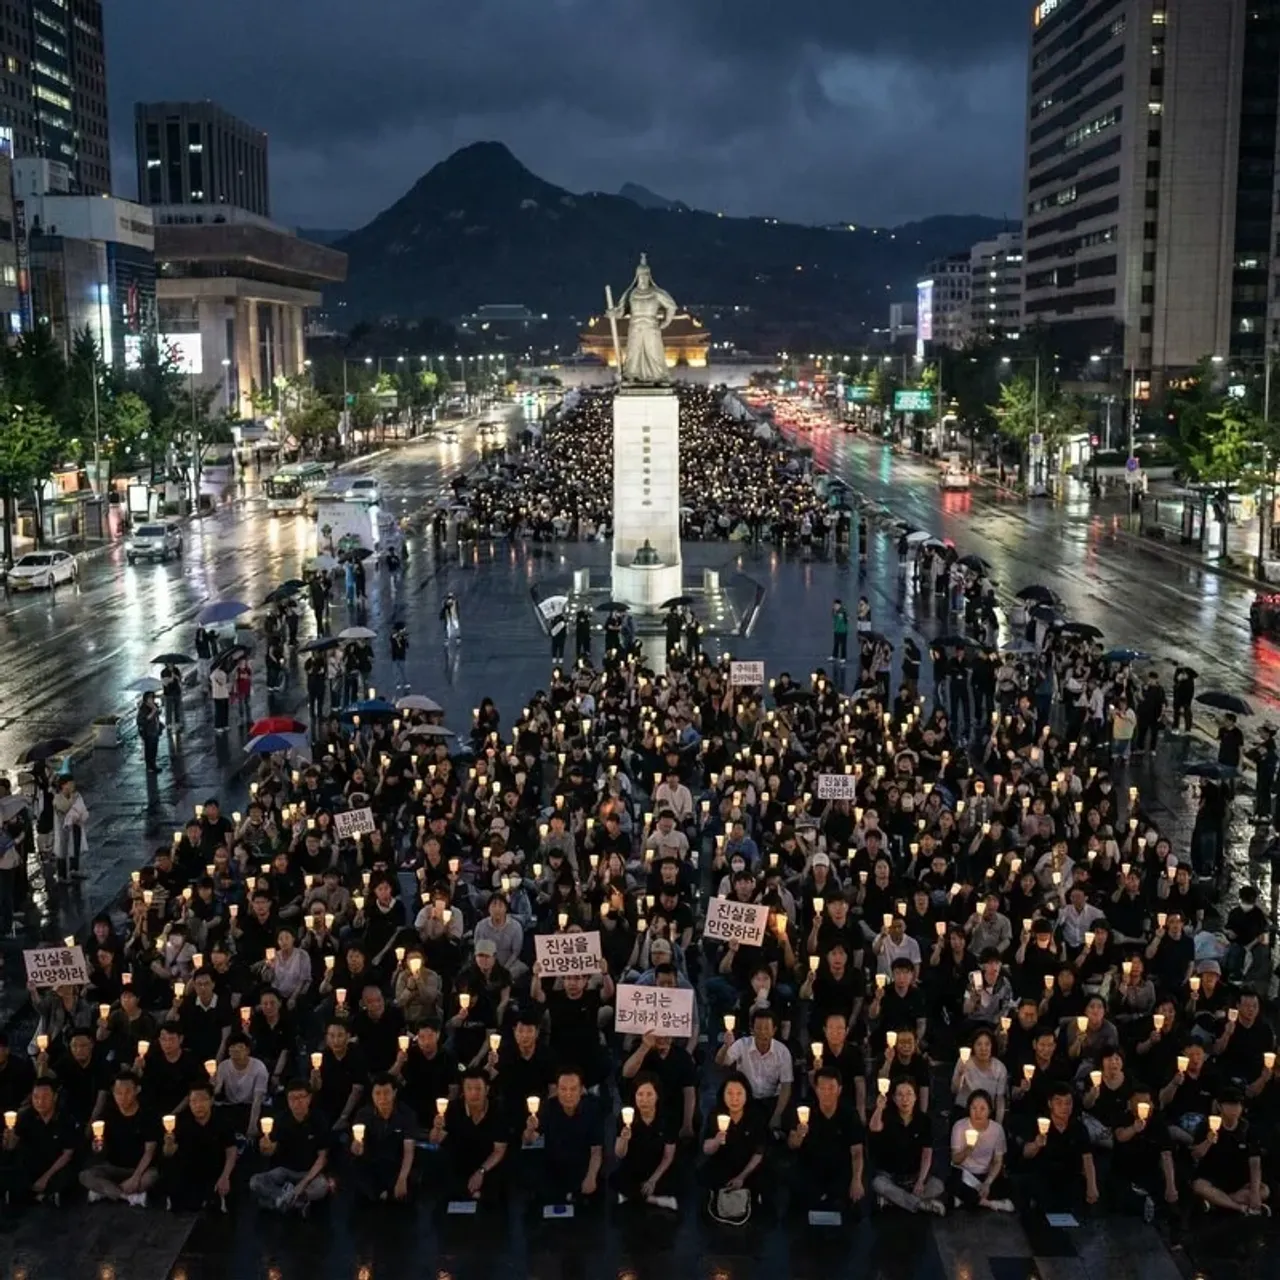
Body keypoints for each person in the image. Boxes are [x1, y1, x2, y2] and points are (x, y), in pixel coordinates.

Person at [786, 1064, 865, 1215]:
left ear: (839, 1089)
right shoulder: (804, 1111)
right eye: (822, 1088)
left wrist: (857, 1179)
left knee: (846, 1199)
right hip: (811, 1167)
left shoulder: (849, 1114)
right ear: (816, 1089)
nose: (827, 1093)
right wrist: (800, 1135)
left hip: (839, 1168)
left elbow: (857, 1151)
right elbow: (792, 1145)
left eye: (831, 1088)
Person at [522, 1067, 603, 1207]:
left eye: (573, 1089)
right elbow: (529, 1140)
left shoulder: (592, 1109)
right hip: (554, 1164)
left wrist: (591, 1176)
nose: (568, 1094)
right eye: (563, 1089)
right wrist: (529, 1130)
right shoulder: (547, 1108)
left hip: (581, 1164)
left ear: (581, 1090)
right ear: (557, 1090)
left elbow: (596, 1150)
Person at [248, 1080, 332, 1216]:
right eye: (292, 1098)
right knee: (255, 1182)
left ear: (309, 1098)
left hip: (308, 1172)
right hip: (284, 1171)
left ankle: (278, 1202)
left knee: (322, 1186)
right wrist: (265, 1147)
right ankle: (295, 1202)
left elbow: (322, 1158)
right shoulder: (280, 1120)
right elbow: (270, 1151)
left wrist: (303, 1184)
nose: (297, 1102)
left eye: (301, 1097)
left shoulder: (318, 1119)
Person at [79, 1071, 160, 1205]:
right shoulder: (108, 1114)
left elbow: (149, 1151)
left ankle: (105, 1191)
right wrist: (97, 1146)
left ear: (137, 1090)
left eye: (127, 1092)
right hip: (114, 1167)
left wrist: (136, 1177)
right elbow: (100, 1151)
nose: (123, 1097)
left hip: (140, 1168)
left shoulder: (148, 1114)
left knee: (151, 1177)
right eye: (118, 1092)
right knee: (85, 1176)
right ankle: (128, 1197)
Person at [868, 1078, 944, 1215]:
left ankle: (894, 1201)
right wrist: (879, 1108)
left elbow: (927, 1153)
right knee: (878, 1184)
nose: (905, 1099)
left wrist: (920, 1181)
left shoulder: (924, 1120)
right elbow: (874, 1127)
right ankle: (920, 1204)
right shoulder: (887, 1116)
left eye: (909, 1094)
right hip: (890, 1176)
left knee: (938, 1186)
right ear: (894, 1099)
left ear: (915, 1097)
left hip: (913, 1177)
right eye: (900, 1095)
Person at [156, 1081, 237, 1211]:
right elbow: (168, 1154)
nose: (198, 1105)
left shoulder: (222, 1121)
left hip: (214, 1168)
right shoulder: (181, 1123)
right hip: (189, 1170)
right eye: (194, 1101)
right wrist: (168, 1145)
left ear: (211, 1101)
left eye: (203, 1100)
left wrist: (225, 1176)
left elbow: (231, 1150)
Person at [432, 1068, 508, 1205]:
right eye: (469, 1088)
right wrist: (437, 1128)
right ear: (463, 1091)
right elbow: (434, 1140)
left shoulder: (498, 1111)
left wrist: (481, 1171)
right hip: (461, 1161)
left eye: (478, 1088)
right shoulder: (452, 1109)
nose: (474, 1093)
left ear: (487, 1089)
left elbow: (499, 1150)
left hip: (487, 1162)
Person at [1188, 1088, 1268, 1215]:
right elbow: (1196, 1155)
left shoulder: (1247, 1129)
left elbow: (1255, 1162)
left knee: (1263, 1190)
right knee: (1199, 1186)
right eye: (1230, 1105)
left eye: (1237, 1105)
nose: (1234, 1109)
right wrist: (1208, 1141)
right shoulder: (1205, 1126)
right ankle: (1238, 1207)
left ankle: (1218, 1202)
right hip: (1212, 1176)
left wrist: (1254, 1193)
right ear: (1220, 1106)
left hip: (1239, 1179)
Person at [0, 1076, 76, 1205]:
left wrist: (45, 1178)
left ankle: (30, 1196)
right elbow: (11, 1147)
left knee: (69, 1176)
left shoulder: (65, 1118)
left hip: (55, 1165)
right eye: (36, 1097)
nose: (40, 1101)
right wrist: (8, 1139)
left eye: (45, 1097)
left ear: (55, 1097)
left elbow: (67, 1154)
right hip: (32, 1164)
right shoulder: (25, 1117)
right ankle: (41, 1197)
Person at [700, 1073, 766, 1221]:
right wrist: (716, 1141)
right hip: (723, 1162)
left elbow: (759, 1151)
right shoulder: (716, 1114)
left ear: (746, 1095)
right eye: (729, 1093)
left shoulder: (755, 1115)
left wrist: (742, 1176)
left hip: (748, 1164)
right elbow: (706, 1149)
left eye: (739, 1093)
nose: (734, 1098)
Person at [348, 1073, 420, 1204]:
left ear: (395, 1093)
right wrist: (357, 1147)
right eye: (378, 1093)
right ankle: (379, 1193)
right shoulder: (363, 1114)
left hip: (395, 1164)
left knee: (411, 1180)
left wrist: (402, 1179)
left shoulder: (407, 1114)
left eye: (386, 1093)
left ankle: (386, 1194)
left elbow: (409, 1150)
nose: (382, 1098)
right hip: (373, 1164)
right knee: (356, 1167)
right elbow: (356, 1147)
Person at [610, 1072, 678, 1210]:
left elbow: (668, 1156)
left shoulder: (668, 1119)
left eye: (649, 1094)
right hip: (634, 1165)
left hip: (657, 1166)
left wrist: (653, 1180)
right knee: (615, 1179)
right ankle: (654, 1200)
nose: (644, 1099)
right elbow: (620, 1154)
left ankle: (633, 1197)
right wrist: (624, 1139)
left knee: (677, 1182)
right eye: (640, 1094)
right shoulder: (626, 1117)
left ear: (657, 1096)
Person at [947, 1089, 1013, 1212]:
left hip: (985, 1174)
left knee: (1009, 1186)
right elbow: (955, 1160)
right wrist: (968, 1149)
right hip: (964, 1173)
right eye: (974, 1108)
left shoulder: (997, 1129)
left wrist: (988, 1182)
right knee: (952, 1183)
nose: (978, 1113)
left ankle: (966, 1201)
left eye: (982, 1109)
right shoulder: (959, 1126)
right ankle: (989, 1204)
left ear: (989, 1110)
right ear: (968, 1109)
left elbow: (998, 1161)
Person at [137, 692, 163, 775]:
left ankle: (153, 765)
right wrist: (153, 711)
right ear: (146, 699)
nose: (152, 700)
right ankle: (150, 767)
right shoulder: (143, 708)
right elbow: (143, 720)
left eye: (152, 698)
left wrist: (156, 709)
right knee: (149, 750)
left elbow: (158, 715)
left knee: (154, 750)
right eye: (150, 698)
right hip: (148, 732)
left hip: (155, 730)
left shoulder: (154, 705)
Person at [390, 621, 409, 692]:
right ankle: (397, 683)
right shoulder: (393, 636)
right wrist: (396, 639)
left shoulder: (404, 637)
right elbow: (392, 641)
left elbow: (406, 645)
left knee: (403, 670)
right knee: (396, 671)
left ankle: (406, 682)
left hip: (401, 655)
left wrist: (403, 639)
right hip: (395, 656)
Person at [831, 599, 849, 666]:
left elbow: (847, 618)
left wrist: (845, 617)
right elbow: (834, 617)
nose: (834, 606)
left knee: (843, 645)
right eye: (834, 605)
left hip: (843, 631)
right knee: (836, 644)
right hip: (836, 630)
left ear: (839, 605)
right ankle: (834, 656)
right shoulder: (835, 611)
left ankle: (843, 657)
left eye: (836, 605)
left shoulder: (843, 611)